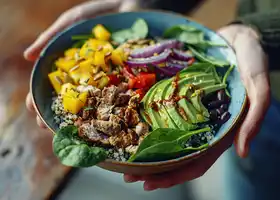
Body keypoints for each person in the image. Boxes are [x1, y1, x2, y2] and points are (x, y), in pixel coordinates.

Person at [24, 0, 279, 198]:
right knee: (254, 182)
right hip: (266, 111)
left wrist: (258, 33)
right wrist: (147, 2)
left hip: (259, 76)